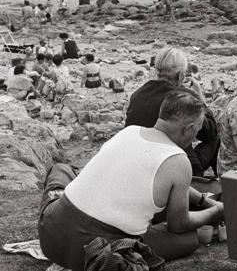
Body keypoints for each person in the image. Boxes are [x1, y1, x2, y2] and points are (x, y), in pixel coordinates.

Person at [38, 89, 225, 271]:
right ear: (189, 129)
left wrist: (201, 199)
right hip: (95, 253)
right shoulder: (178, 159)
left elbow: (176, 185)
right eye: (196, 132)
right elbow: (179, 225)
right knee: (189, 238)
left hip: (50, 235)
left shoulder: (129, 132)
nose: (194, 138)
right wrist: (214, 211)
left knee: (61, 169)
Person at [125, 47, 220, 177]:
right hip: (174, 164)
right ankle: (214, 184)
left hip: (140, 159)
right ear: (181, 75)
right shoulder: (183, 97)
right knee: (216, 138)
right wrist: (198, 95)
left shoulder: (137, 94)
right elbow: (210, 132)